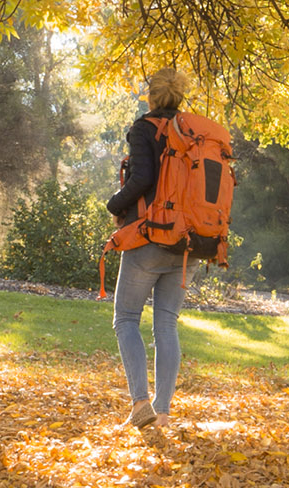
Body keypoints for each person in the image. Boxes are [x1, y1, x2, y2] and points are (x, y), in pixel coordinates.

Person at [107, 66, 196, 429]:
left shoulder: (144, 128)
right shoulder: (193, 131)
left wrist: (115, 205)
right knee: (167, 325)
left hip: (149, 238)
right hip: (189, 242)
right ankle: (163, 413)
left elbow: (142, 178)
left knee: (126, 318)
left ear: (151, 95)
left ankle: (140, 403)